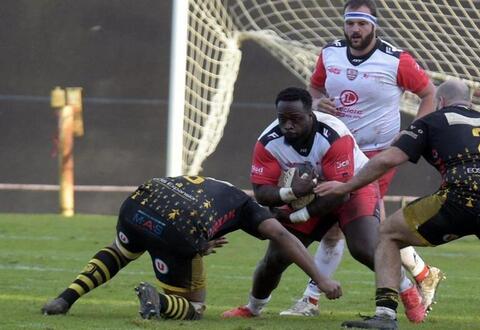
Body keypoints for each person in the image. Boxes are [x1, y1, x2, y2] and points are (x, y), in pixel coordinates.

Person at [317, 79, 480, 330]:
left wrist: (346, 186)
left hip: (461, 196)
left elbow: (389, 159)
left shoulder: (432, 120)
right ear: (469, 102)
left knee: (388, 233)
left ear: (440, 102)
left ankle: (385, 316)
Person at [281, 0, 443, 318]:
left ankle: (312, 300)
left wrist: (413, 134)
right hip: (333, 152)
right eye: (351, 23)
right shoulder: (329, 54)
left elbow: (430, 94)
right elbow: (312, 90)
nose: (356, 29)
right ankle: (423, 274)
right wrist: (316, 103)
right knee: (359, 230)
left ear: (374, 25)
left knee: (355, 230)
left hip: (375, 156)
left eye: (362, 23)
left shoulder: (396, 60)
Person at [221, 87, 428, 323]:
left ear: (311, 115)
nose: (288, 125)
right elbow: (261, 192)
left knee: (365, 248)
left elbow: (340, 195)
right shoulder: (268, 142)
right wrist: (290, 192)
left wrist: (295, 216)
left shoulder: (333, 134)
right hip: (313, 195)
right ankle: (253, 307)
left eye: (295, 119)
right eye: (283, 119)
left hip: (352, 187)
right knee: (276, 258)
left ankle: (407, 289)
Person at [41, 176, 342, 320]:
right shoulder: (253, 209)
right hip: (179, 227)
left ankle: (64, 299)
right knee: (195, 308)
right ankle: (159, 303)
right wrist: (322, 278)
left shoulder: (220, 184)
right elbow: (283, 237)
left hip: (139, 202)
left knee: (121, 251)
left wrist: (200, 240)